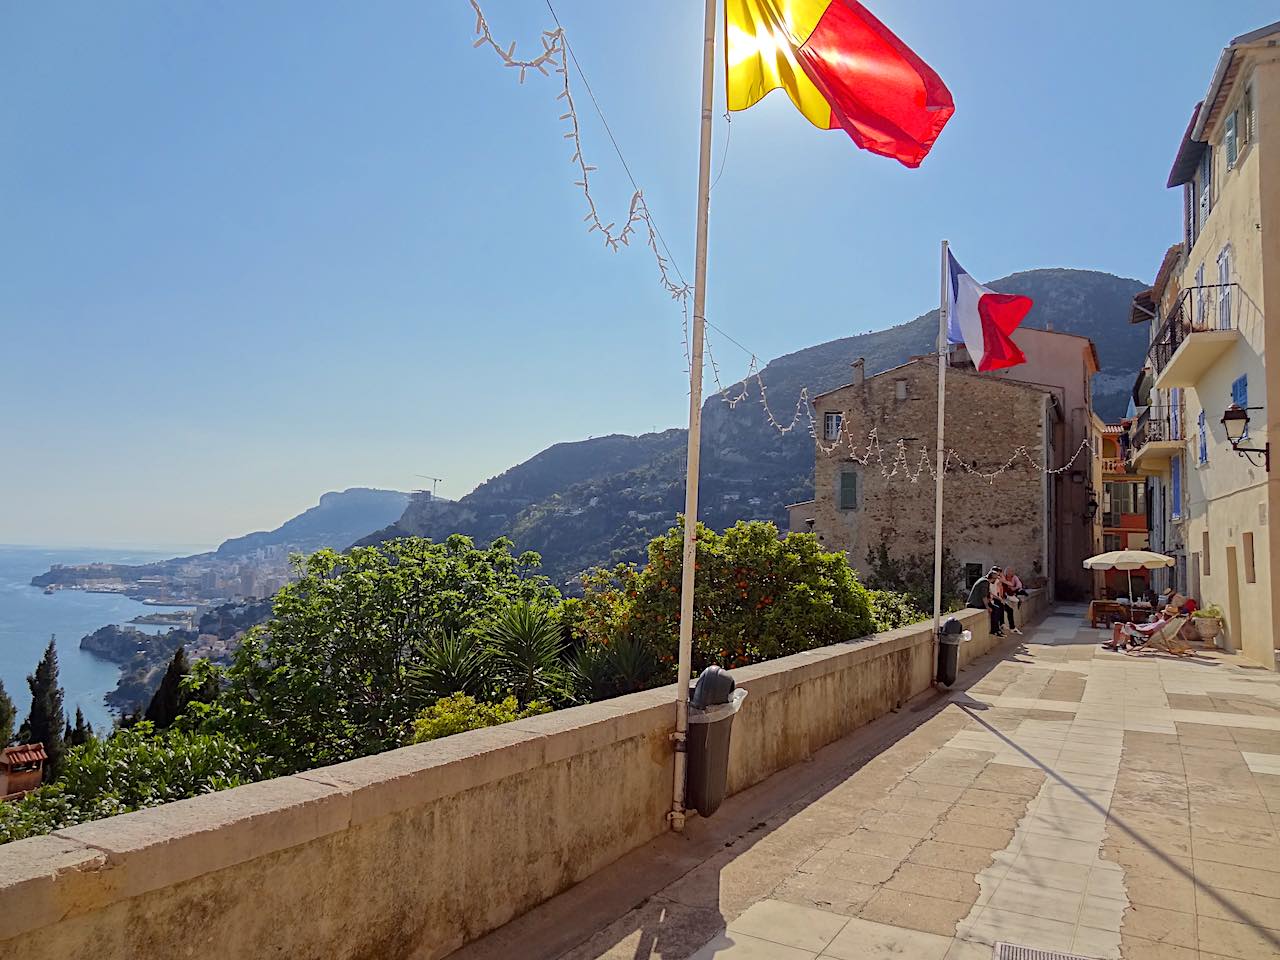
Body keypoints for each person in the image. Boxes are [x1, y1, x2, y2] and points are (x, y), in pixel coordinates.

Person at [1102, 605, 1176, 651]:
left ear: (1166, 614)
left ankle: (1114, 645)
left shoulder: (1161, 623)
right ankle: (1119, 643)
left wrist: (1136, 628)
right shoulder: (1164, 622)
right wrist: (1136, 626)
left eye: (1163, 613)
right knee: (1126, 626)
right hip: (1142, 632)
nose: (1162, 614)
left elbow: (1148, 631)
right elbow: (1149, 628)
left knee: (1117, 625)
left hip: (1142, 635)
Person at [967, 569, 1003, 637]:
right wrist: (987, 607)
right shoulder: (984, 582)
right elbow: (983, 596)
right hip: (975, 604)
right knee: (995, 610)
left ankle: (997, 629)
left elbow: (987, 593)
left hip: (979, 602)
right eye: (995, 579)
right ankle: (994, 630)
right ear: (993, 578)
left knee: (998, 608)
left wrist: (997, 598)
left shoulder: (985, 580)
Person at [992, 569, 1022, 636]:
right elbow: (993, 592)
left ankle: (1011, 627)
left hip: (1000, 598)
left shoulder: (1000, 579)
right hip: (995, 599)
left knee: (1009, 610)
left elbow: (1010, 584)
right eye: (1000, 573)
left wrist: (1002, 578)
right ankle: (1001, 626)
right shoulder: (995, 580)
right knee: (1000, 609)